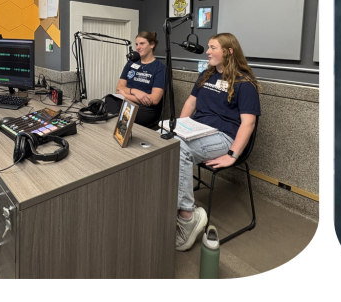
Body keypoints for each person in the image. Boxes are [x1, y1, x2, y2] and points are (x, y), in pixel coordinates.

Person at [174, 33, 260, 251]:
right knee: (164, 141)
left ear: (228, 52)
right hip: (198, 130)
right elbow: (190, 104)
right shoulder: (205, 75)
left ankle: (187, 215)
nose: (207, 51)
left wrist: (233, 155)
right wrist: (177, 128)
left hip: (224, 137)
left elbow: (248, 123)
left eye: (212, 47)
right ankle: (169, 202)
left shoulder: (244, 83)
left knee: (178, 150)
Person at [106, 31, 166, 128]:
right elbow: (118, 88)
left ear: (152, 45)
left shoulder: (160, 68)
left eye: (142, 43)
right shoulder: (131, 63)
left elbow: (154, 99)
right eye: (137, 44)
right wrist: (134, 91)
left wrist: (125, 94)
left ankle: (119, 126)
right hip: (128, 101)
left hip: (146, 108)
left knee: (120, 114)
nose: (138, 47)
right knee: (109, 99)